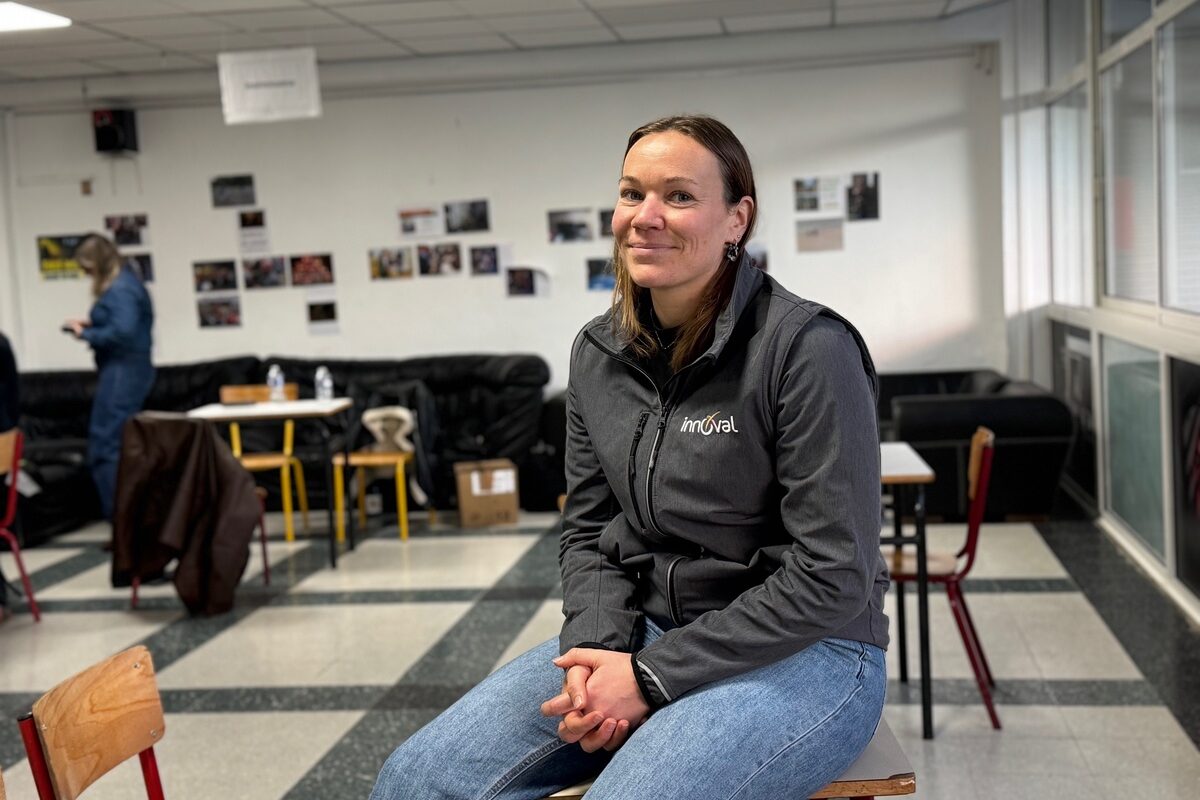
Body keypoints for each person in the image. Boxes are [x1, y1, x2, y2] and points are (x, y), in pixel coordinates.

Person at [371, 115, 889, 800]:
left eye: (679, 196)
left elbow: (832, 574)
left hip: (807, 650)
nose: (645, 216)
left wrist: (652, 678)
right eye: (631, 193)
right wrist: (598, 647)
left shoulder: (807, 349)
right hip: (647, 628)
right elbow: (591, 531)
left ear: (737, 219)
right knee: (413, 782)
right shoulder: (598, 353)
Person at [63, 233, 155, 522]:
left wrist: (86, 334)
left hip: (123, 370)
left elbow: (124, 333)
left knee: (106, 446)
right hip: (126, 369)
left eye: (86, 266)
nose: (85, 272)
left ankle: (121, 522)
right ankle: (128, 522)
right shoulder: (127, 283)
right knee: (118, 444)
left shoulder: (121, 289)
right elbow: (123, 325)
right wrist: (93, 324)